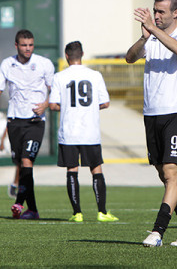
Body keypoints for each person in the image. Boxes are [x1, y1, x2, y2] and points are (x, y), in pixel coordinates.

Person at [126, 0, 177, 246]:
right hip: (151, 114)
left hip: (176, 113)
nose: (156, 16)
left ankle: (158, 231)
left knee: (171, 173)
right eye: (154, 11)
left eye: (161, 12)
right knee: (166, 175)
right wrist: (143, 37)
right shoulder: (152, 35)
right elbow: (130, 57)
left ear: (175, 13)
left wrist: (154, 31)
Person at [49, 41, 118, 223]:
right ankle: (102, 212)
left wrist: (68, 107)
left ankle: (77, 213)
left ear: (66, 56)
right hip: (90, 131)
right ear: (82, 55)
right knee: (96, 169)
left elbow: (53, 104)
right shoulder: (95, 75)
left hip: (69, 131)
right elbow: (105, 103)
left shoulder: (59, 77)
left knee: (72, 169)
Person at [0, 29, 55, 219]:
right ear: (17, 46)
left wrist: (46, 105)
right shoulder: (7, 64)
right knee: (22, 164)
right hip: (15, 121)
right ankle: (32, 209)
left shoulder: (44, 64)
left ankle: (18, 203)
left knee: (26, 161)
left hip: (35, 122)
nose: (28, 49)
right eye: (24, 45)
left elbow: (54, 90)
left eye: (31, 45)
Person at [0, 127, 20, 198]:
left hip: (23, 140)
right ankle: (15, 185)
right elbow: (8, 127)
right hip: (15, 142)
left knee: (24, 164)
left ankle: (17, 185)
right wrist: (2, 141)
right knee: (20, 164)